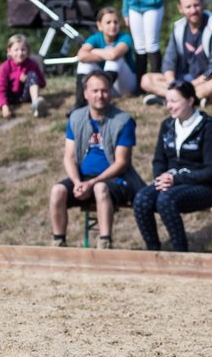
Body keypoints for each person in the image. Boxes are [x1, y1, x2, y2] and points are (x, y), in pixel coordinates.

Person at [48, 72, 146, 248]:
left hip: (115, 180)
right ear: (85, 93)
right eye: (95, 91)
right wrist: (78, 182)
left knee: (100, 189)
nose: (100, 95)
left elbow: (121, 163)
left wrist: (92, 183)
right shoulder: (75, 118)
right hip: (83, 178)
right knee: (57, 191)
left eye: (104, 91)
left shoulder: (123, 121)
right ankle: (58, 241)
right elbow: (69, 156)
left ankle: (104, 242)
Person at [132, 79, 212, 251]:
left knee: (165, 200)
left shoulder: (208, 127)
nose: (169, 106)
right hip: (170, 183)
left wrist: (176, 178)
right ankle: (154, 252)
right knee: (141, 199)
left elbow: (211, 171)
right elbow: (159, 160)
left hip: (203, 187)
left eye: (174, 101)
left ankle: (181, 252)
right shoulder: (167, 125)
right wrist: (161, 178)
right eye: (167, 101)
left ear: (189, 100)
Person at [139, 0, 212, 105]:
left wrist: (189, 86)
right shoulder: (178, 28)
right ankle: (191, 98)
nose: (193, 10)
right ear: (180, 8)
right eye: (188, 7)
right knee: (146, 80)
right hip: (183, 79)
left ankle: (171, 97)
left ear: (202, 4)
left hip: (206, 79)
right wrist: (172, 82)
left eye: (196, 5)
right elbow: (169, 62)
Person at [74, 6, 137, 106]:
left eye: (115, 22)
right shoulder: (95, 38)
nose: (113, 25)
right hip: (105, 89)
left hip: (125, 85)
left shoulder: (125, 37)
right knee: (84, 63)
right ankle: (80, 103)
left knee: (116, 59)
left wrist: (94, 51)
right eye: (108, 22)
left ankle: (104, 94)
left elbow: (113, 55)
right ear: (99, 25)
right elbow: (81, 56)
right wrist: (104, 54)